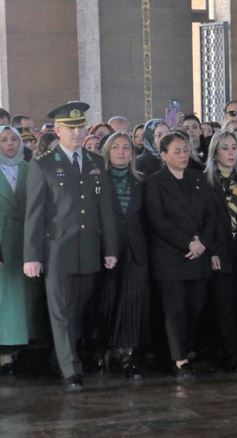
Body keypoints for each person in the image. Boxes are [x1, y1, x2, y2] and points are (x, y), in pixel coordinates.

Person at [23, 101, 118, 392]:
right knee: (61, 312)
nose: (77, 133)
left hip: (89, 249)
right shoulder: (43, 165)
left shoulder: (95, 163)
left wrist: (110, 248)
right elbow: (35, 214)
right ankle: (70, 369)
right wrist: (32, 256)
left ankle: (63, 356)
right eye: (70, 128)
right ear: (57, 130)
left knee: (79, 311)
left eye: (80, 127)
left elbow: (104, 206)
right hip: (58, 251)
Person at [144, 132, 215, 381]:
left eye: (185, 150)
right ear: (164, 155)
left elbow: (211, 214)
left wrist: (202, 243)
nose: (183, 155)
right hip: (171, 257)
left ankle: (182, 347)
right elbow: (158, 221)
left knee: (195, 306)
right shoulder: (154, 183)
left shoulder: (198, 179)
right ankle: (179, 359)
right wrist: (188, 243)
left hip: (198, 255)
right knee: (174, 310)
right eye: (177, 151)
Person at [95, 132, 150, 379]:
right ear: (107, 152)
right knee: (107, 300)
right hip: (106, 249)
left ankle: (126, 353)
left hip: (136, 249)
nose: (121, 152)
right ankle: (102, 350)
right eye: (115, 147)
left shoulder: (141, 181)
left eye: (126, 147)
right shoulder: (98, 180)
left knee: (132, 301)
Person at [205, 130, 237, 371]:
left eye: (234, 147)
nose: (231, 152)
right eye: (225, 148)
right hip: (217, 250)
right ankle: (231, 354)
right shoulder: (206, 181)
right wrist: (212, 250)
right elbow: (204, 220)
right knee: (223, 305)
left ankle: (235, 350)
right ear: (215, 151)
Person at [0, 126, 29, 376]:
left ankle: (22, 345)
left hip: (25, 239)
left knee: (24, 296)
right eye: (4, 140)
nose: (9, 144)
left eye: (13, 140)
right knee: (5, 297)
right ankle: (5, 351)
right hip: (2, 240)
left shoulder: (30, 169)